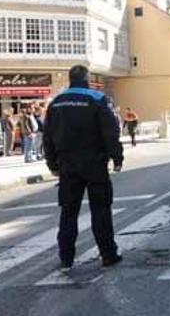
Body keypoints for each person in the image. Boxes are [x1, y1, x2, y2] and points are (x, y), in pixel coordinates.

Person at [44, 65, 123, 271]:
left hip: (67, 166)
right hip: (94, 163)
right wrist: (117, 157)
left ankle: (66, 258)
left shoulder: (56, 102)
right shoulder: (97, 99)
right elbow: (110, 131)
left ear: (70, 79)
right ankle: (108, 254)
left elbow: (48, 137)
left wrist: (52, 164)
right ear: (87, 78)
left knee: (68, 212)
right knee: (101, 210)